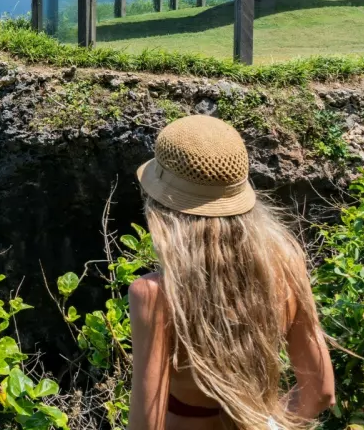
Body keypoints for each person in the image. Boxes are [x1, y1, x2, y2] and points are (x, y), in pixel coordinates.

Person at [128, 115, 335, 430]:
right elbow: (320, 391)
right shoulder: (285, 263)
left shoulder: (156, 296)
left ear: (161, 206)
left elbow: (147, 426)